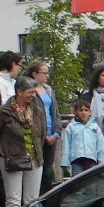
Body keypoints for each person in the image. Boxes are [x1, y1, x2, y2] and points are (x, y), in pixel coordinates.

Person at [0, 76, 48, 207]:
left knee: (32, 200)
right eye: (30, 92)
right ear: (19, 91)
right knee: (13, 200)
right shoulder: (2, 111)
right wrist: (1, 154)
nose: (33, 95)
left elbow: (42, 134)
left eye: (35, 92)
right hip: (12, 158)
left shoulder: (37, 111)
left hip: (35, 158)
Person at [28, 62, 62, 190]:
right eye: (44, 73)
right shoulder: (30, 92)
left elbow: (56, 113)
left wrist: (56, 133)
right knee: (36, 170)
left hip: (52, 135)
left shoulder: (49, 90)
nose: (47, 76)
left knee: (48, 172)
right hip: (37, 137)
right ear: (34, 74)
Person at [62, 99, 104, 173]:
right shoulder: (71, 127)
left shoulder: (95, 127)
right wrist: (65, 162)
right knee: (78, 179)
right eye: (80, 110)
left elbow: (100, 145)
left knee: (91, 179)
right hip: (77, 161)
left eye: (86, 110)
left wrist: (102, 162)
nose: (84, 113)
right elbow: (66, 145)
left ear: (90, 112)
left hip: (91, 161)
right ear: (75, 112)